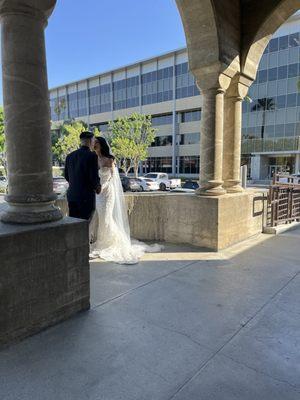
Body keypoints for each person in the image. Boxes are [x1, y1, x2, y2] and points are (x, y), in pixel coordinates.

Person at [90, 136, 162, 264]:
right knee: (101, 218)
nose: (94, 144)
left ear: (101, 145)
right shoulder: (92, 158)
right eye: (93, 142)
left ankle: (116, 242)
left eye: (96, 143)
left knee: (106, 218)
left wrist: (104, 186)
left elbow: (113, 177)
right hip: (97, 194)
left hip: (107, 193)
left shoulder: (109, 159)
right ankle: (103, 243)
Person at [64, 131, 101, 222]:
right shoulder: (92, 155)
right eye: (93, 140)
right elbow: (93, 176)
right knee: (85, 224)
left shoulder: (70, 156)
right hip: (85, 197)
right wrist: (97, 187)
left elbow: (66, 175)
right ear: (90, 141)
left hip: (72, 195)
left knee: (74, 223)